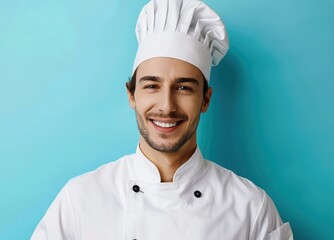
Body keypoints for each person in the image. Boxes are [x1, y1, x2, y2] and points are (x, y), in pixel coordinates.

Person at [31, 0, 293, 239]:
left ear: (206, 99)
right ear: (131, 95)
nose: (166, 107)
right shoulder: (80, 200)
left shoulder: (251, 208)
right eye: (151, 86)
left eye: (184, 88)